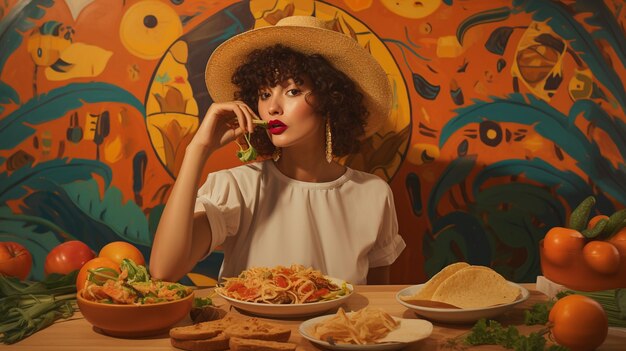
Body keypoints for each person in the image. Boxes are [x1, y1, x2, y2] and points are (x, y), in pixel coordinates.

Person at [150, 16, 406, 285]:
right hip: (250, 328)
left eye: (293, 91)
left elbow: (377, 304)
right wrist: (197, 150)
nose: (272, 107)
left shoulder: (373, 195)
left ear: (331, 99)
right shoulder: (237, 188)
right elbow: (164, 270)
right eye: (264, 94)